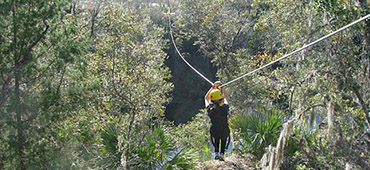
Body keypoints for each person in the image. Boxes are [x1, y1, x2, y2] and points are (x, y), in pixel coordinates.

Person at [204, 81, 230, 161]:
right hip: (224, 129)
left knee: (216, 139)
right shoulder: (225, 108)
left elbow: (206, 98)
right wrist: (222, 88)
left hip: (214, 130)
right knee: (223, 139)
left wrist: (212, 88)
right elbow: (226, 98)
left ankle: (216, 152)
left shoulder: (210, 109)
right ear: (220, 98)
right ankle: (222, 154)